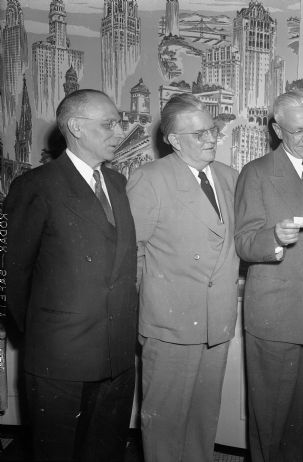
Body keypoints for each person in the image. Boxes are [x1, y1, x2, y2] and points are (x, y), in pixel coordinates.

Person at [5, 89, 137, 461]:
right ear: (76, 127)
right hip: (59, 356)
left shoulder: (119, 184)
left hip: (117, 355)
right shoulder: (35, 186)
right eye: (109, 123)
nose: (119, 131)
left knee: (106, 451)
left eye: (120, 122)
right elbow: (13, 275)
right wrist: (45, 332)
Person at [234, 90, 303, 462]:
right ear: (277, 130)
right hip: (276, 316)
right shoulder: (257, 173)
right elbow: (245, 243)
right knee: (271, 415)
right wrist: (274, 240)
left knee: (299, 410)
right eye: (298, 131)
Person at [126, 94, 239, 462]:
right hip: (171, 323)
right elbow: (133, 255)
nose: (212, 138)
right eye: (200, 133)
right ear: (174, 140)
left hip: (217, 322)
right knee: (165, 424)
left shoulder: (229, 177)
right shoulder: (149, 179)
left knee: (204, 420)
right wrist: (152, 306)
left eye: (213, 130)